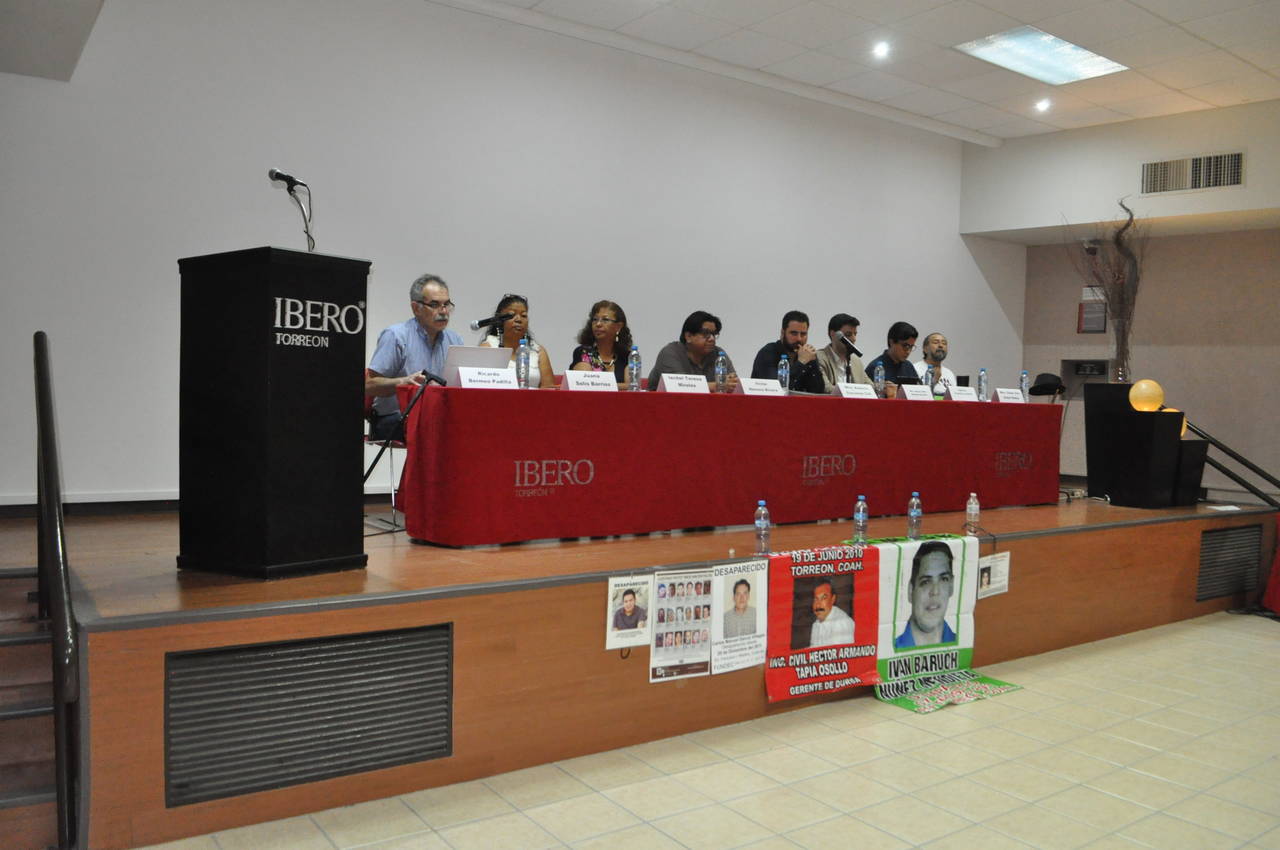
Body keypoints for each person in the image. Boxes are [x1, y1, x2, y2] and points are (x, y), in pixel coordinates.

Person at [365, 273, 464, 440]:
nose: (444, 311)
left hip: (435, 417)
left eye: (446, 304)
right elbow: (369, 385)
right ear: (416, 308)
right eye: (435, 305)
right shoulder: (396, 336)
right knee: (434, 427)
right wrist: (402, 382)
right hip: (393, 419)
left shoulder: (455, 340)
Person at [647, 311, 738, 392]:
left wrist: (730, 383)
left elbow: (733, 383)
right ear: (688, 336)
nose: (712, 339)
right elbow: (679, 386)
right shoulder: (670, 353)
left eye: (714, 334)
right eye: (705, 333)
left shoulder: (718, 354)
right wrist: (718, 385)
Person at [479, 294, 556, 388]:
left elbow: (549, 389)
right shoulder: (488, 348)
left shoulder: (538, 351)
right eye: (512, 315)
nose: (519, 319)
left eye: (524, 315)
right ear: (499, 320)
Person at [895, 541, 958, 649]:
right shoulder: (888, 650)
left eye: (943, 579)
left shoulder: (962, 644)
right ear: (910, 591)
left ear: (951, 586)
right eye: (926, 582)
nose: (935, 591)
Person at [750, 310, 824, 394]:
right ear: (782, 333)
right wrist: (801, 363)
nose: (799, 339)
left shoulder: (807, 355)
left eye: (803, 334)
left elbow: (818, 391)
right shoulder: (768, 352)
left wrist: (813, 363)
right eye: (794, 333)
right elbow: (774, 388)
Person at [569, 300, 633, 385]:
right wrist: (618, 386)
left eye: (605, 320)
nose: (598, 324)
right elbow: (586, 384)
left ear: (618, 326)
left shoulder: (626, 357)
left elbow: (632, 386)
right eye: (595, 319)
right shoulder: (583, 352)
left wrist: (604, 385)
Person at [815, 313, 871, 391]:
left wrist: (883, 387)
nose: (854, 339)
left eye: (855, 334)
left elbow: (869, 386)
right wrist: (853, 391)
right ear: (833, 334)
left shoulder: (856, 360)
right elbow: (826, 388)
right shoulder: (819, 358)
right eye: (848, 334)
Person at [864, 321, 919, 398]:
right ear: (892, 342)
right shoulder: (875, 368)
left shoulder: (908, 366)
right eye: (905, 346)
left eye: (911, 347)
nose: (908, 351)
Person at [808, 580, 854, 647]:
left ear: (833, 599)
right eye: (816, 599)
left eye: (823, 598)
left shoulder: (841, 623)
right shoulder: (816, 624)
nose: (818, 605)